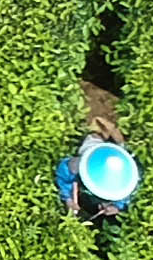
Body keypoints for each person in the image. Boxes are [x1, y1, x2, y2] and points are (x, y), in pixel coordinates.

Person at [59, 79, 140, 219]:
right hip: (95, 146)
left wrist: (117, 206)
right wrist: (68, 199)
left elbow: (129, 195)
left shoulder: (130, 174)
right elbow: (64, 174)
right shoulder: (80, 164)